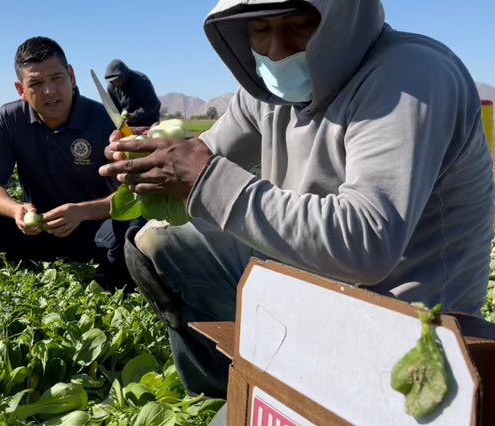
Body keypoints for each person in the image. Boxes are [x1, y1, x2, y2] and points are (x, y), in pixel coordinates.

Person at [99, 0, 495, 402]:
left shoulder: (409, 78)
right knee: (156, 244)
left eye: (299, 24)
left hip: (406, 320)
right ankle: (223, 393)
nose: (276, 49)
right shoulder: (266, 91)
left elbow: (367, 244)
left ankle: (267, 398)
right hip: (314, 284)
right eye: (260, 30)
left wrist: (204, 177)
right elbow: (205, 154)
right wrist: (150, 157)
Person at [0, 36, 141, 290]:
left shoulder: (103, 119)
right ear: (21, 91)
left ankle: (105, 278)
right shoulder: (10, 119)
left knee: (136, 232)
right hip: (39, 228)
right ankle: (30, 267)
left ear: (71, 77)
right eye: (36, 83)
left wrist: (82, 212)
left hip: (93, 227)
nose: (49, 91)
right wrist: (16, 210)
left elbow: (130, 193)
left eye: (57, 79)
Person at [104, 59, 161, 127]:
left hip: (148, 121)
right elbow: (114, 109)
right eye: (112, 81)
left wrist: (133, 116)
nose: (115, 83)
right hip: (128, 124)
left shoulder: (141, 81)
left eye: (117, 80)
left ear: (123, 75)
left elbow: (153, 103)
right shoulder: (111, 87)